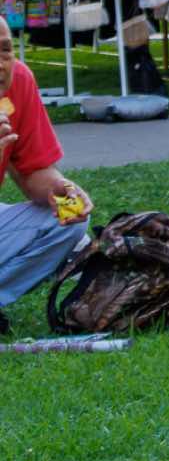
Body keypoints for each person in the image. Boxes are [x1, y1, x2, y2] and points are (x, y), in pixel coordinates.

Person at [0, 20, 93, 329]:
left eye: (5, 51)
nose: (1, 64)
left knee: (67, 220)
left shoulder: (19, 81)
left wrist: (59, 187)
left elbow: (33, 171)